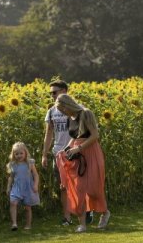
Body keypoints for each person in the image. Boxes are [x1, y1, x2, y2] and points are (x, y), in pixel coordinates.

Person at [55, 93, 111, 233]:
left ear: (68, 105)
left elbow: (95, 135)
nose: (63, 113)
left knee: (93, 188)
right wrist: (66, 149)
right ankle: (82, 224)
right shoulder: (70, 118)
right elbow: (74, 137)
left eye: (63, 110)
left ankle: (105, 213)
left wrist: (78, 148)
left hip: (91, 152)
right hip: (78, 155)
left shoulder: (86, 114)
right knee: (79, 188)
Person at [41, 80, 93, 226]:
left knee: (80, 186)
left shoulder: (79, 109)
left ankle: (86, 211)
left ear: (64, 91)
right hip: (58, 154)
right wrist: (45, 154)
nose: (52, 95)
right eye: (50, 93)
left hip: (75, 152)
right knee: (63, 187)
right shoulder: (51, 111)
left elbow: (88, 132)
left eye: (54, 92)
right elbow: (49, 133)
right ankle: (67, 217)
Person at [6, 142, 40, 231]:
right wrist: (8, 187)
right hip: (16, 187)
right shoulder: (13, 165)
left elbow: (36, 175)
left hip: (28, 187)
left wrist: (36, 185)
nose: (19, 155)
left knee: (28, 207)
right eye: (16, 154)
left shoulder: (30, 163)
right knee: (13, 202)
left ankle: (28, 224)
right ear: (13, 155)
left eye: (21, 153)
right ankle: (14, 223)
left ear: (25, 153)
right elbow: (11, 177)